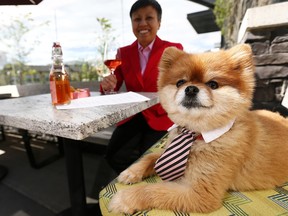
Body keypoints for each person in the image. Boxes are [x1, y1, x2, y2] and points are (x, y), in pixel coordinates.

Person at [89, 0, 183, 200]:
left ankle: (148, 195)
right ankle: (135, 184)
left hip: (160, 116)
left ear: (159, 22)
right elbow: (114, 85)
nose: (142, 24)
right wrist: (107, 85)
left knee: (156, 161)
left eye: (149, 18)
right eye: (137, 19)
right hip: (133, 115)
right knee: (114, 155)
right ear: (132, 23)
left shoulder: (173, 49)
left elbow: (181, 83)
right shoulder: (124, 52)